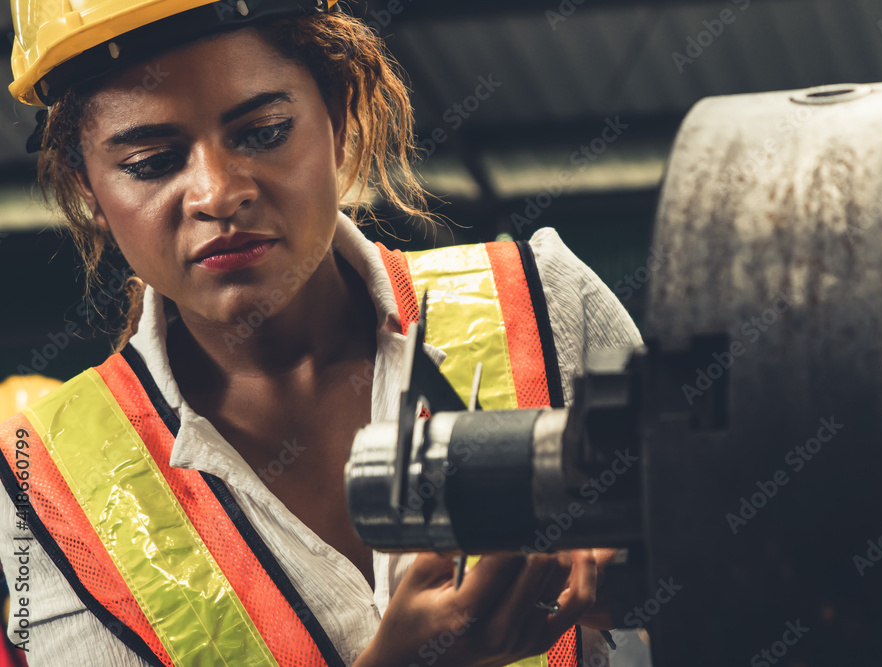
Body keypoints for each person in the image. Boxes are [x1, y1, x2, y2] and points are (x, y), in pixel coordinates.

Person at [0, 0, 644, 665]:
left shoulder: (548, 304)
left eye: (264, 131)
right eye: (152, 162)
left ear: (337, 117)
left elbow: (734, 580)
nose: (217, 192)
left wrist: (654, 582)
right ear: (86, 188)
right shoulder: (40, 483)